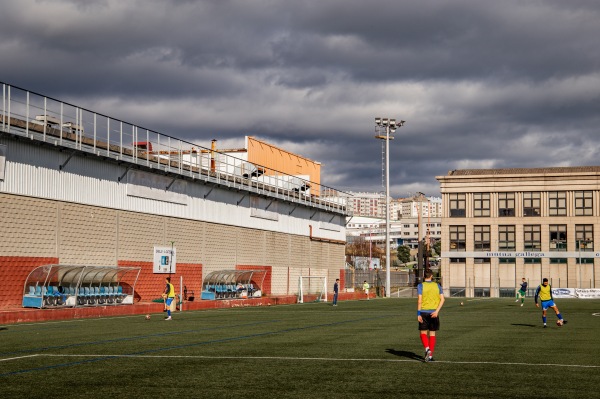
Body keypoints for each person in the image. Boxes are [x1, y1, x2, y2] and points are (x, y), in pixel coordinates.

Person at [417, 270, 445, 362]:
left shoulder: (421, 286)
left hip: (424, 312)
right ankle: (430, 356)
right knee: (432, 334)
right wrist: (437, 311)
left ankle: (427, 349)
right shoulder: (437, 285)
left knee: (423, 333)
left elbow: (420, 300)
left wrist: (418, 313)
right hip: (434, 313)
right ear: (432, 276)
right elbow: (442, 300)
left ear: (424, 276)